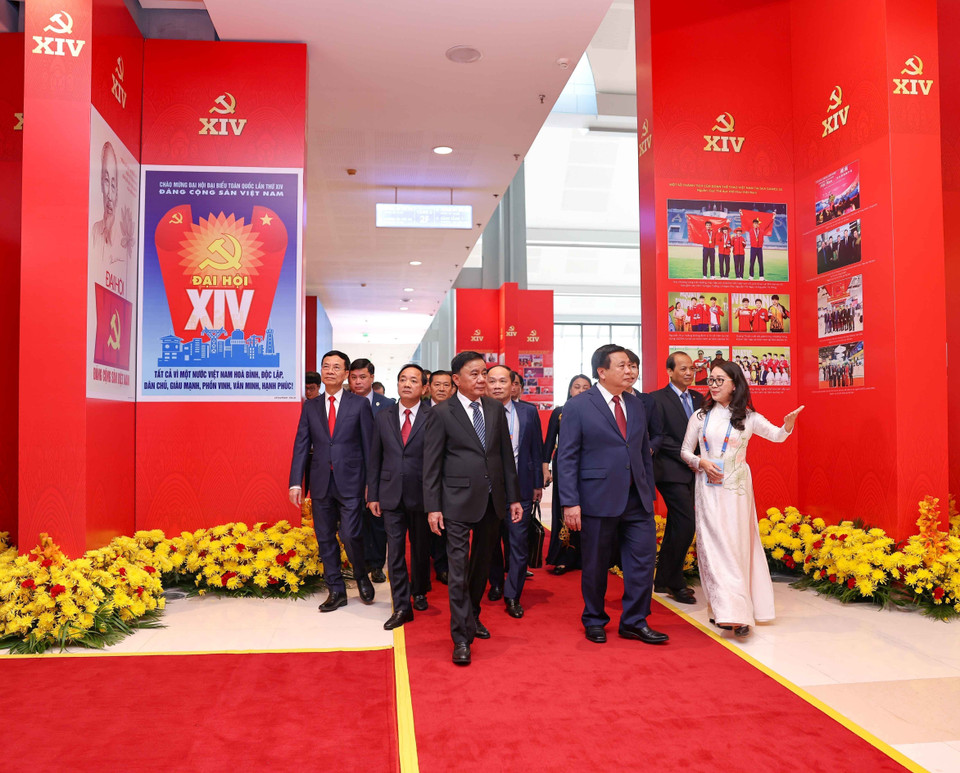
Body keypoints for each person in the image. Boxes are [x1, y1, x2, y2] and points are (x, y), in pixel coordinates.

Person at [680, 361, 803, 636]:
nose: (712, 385)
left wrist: (787, 425)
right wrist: (701, 462)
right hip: (709, 486)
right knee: (714, 545)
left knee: (738, 545)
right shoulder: (700, 417)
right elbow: (685, 451)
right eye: (710, 380)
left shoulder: (749, 417)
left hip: (737, 488)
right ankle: (728, 611)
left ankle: (736, 610)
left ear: (734, 384)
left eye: (719, 380)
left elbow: (777, 436)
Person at [557, 344, 668, 646]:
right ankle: (594, 619)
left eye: (633, 365)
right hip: (596, 498)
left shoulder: (636, 405)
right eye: (623, 365)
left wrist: (649, 492)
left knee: (643, 562)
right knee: (594, 564)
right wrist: (570, 502)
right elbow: (566, 457)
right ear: (601, 371)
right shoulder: (579, 406)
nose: (631, 371)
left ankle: (634, 621)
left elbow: (642, 451)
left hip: (637, 498)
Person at [423, 351, 521, 665]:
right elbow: (431, 464)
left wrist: (514, 498)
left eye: (484, 373)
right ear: (456, 379)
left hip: (492, 501)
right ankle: (461, 637)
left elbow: (505, 457)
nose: (482, 380)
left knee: (481, 566)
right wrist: (433, 506)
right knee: (457, 570)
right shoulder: (441, 413)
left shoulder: (494, 409)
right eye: (474, 374)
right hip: (455, 502)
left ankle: (473, 615)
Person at [289, 350, 375, 612]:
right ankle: (336, 590)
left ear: (346, 373)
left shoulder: (359, 404)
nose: (329, 371)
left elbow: (369, 447)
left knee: (350, 534)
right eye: (326, 366)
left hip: (351, 481)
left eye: (336, 367)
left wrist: (372, 485)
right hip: (321, 481)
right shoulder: (311, 406)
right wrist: (296, 482)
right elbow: (302, 445)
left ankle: (360, 575)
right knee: (324, 537)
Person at [368, 364, 432, 630]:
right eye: (403, 379)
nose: (407, 384)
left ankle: (418, 590)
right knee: (394, 552)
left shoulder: (435, 415)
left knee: (420, 549)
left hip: (423, 494)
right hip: (390, 493)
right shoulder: (384, 416)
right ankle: (401, 606)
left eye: (413, 380)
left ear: (424, 388)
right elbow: (375, 457)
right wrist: (373, 493)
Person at [485, 366, 543, 618]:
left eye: (503, 381)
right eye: (492, 381)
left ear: (514, 385)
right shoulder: (478, 412)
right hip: (488, 491)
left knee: (518, 542)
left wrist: (537, 484)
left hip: (520, 488)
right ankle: (496, 582)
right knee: (491, 542)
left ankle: (513, 594)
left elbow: (536, 450)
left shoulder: (528, 412)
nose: (497, 386)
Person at [651, 352, 702, 604]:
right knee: (686, 523)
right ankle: (675, 581)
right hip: (669, 470)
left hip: (695, 471)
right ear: (669, 372)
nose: (689, 373)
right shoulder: (656, 399)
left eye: (691, 369)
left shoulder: (699, 398)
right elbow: (660, 437)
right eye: (683, 369)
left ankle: (661, 580)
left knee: (676, 525)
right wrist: (690, 456)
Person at [349, 358, 396, 584]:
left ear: (372, 378)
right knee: (354, 519)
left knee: (377, 519)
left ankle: (377, 564)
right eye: (354, 377)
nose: (358, 382)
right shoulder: (343, 402)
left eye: (363, 377)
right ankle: (361, 562)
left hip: (379, 470)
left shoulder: (387, 405)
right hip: (349, 471)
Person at [543, 374, 591, 574]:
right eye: (576, 387)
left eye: (585, 387)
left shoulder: (597, 412)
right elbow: (548, 442)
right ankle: (563, 557)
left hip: (589, 468)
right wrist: (545, 468)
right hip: (565, 468)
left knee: (588, 512)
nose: (580, 390)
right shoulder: (560, 412)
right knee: (564, 512)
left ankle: (586, 557)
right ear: (570, 390)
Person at [426, 369, 455, 582]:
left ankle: (443, 564)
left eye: (446, 385)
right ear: (429, 387)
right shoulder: (421, 411)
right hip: (422, 477)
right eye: (437, 384)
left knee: (444, 524)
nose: (442, 389)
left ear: (453, 388)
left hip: (448, 478)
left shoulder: (456, 412)